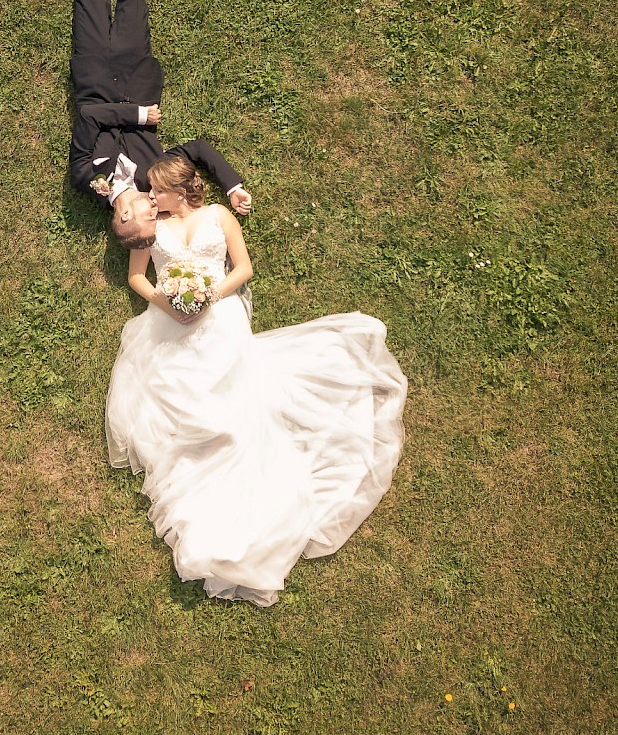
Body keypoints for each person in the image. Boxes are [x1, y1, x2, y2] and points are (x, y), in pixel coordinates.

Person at [105, 154, 408, 607]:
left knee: (238, 402)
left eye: (157, 190)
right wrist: (166, 302)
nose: (150, 198)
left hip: (220, 312)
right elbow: (136, 276)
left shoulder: (219, 216)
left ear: (179, 189)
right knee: (173, 402)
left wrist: (209, 295)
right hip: (168, 321)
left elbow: (243, 269)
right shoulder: (153, 225)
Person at [46, 0, 252, 249]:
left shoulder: (84, 178)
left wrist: (136, 116)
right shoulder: (151, 178)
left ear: (123, 215)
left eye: (147, 215)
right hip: (134, 65)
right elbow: (198, 150)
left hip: (92, 66)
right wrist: (231, 185)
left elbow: (89, 118)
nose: (155, 210)